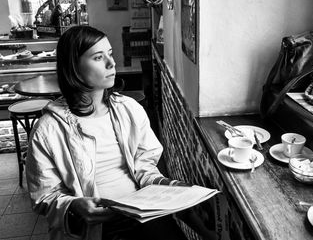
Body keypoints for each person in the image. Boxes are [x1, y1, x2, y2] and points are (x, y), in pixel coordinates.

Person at [25, 25, 193, 240]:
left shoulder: (129, 109)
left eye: (110, 54)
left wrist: (170, 187)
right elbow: (44, 196)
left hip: (143, 213)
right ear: (73, 66)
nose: (111, 63)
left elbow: (144, 167)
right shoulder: (48, 129)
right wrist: (74, 205)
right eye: (98, 57)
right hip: (97, 226)